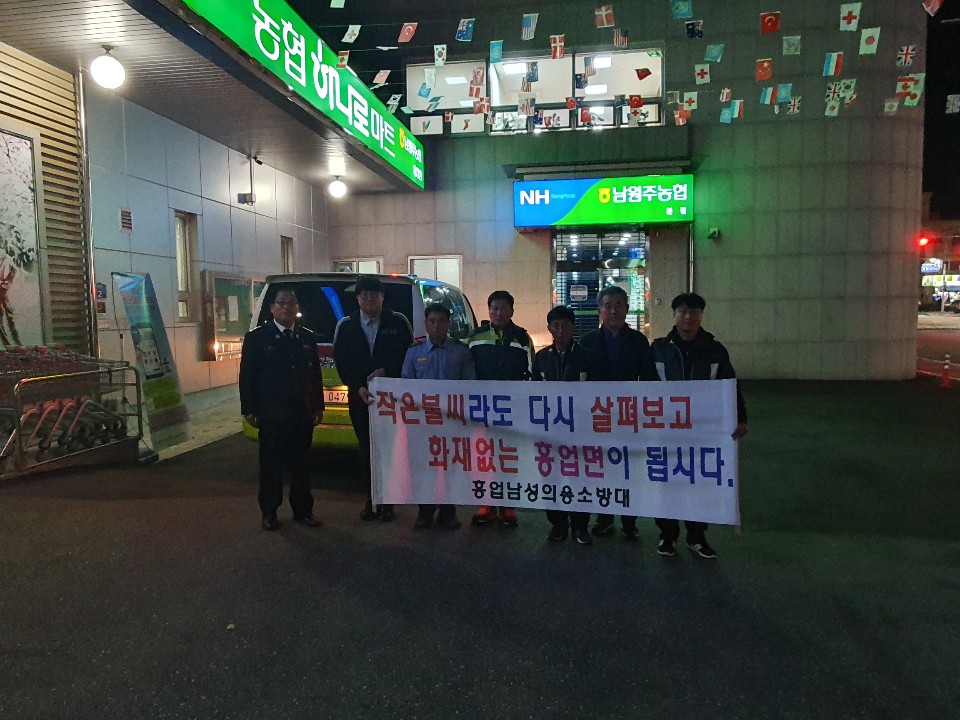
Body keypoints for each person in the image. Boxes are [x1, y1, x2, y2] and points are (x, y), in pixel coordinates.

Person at [641, 292, 748, 559]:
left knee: (699, 482)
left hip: (703, 432)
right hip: (666, 431)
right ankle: (667, 535)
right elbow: (645, 386)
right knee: (667, 482)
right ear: (674, 315)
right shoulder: (660, 349)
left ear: (701, 315)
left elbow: (730, 386)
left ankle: (697, 536)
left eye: (693, 312)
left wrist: (741, 418)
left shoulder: (715, 350)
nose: (688, 317)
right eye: (682, 312)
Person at [239, 288, 325, 531]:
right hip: (271, 413)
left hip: (302, 412)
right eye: (282, 303)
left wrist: (318, 405)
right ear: (272, 308)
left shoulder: (306, 338)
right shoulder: (257, 338)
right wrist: (249, 409)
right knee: (271, 466)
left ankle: (303, 510)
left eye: (292, 303)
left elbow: (315, 376)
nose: (287, 307)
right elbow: (247, 376)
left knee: (302, 466)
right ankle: (269, 512)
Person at [333, 276, 414, 522]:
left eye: (374, 294)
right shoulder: (346, 325)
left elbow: (408, 356)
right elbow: (342, 361)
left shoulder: (398, 322)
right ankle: (371, 498)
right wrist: (357, 385)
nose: (369, 298)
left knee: (389, 449)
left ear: (382, 297)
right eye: (364, 294)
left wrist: (386, 372)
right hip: (360, 398)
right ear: (357, 298)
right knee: (366, 449)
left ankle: (388, 501)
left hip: (391, 398)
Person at [580, 285, 650, 540]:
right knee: (603, 469)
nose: (613, 311)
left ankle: (630, 520)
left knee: (629, 469)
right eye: (607, 306)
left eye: (618, 305)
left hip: (629, 416)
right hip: (598, 417)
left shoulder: (639, 342)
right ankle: (605, 518)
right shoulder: (587, 342)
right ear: (599, 310)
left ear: (627, 309)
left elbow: (648, 380)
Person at [401, 303, 476, 530]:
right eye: (432, 321)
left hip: (452, 423)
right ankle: (425, 512)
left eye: (441, 321)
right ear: (425, 324)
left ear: (449, 324)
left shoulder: (461, 352)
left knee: (451, 468)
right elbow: (406, 387)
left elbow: (470, 386)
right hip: (423, 424)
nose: (436, 325)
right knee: (424, 467)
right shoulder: (414, 352)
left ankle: (448, 512)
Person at [467, 290, 535, 528]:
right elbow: (466, 373)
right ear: (489, 311)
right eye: (494, 308)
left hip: (511, 411)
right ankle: (485, 504)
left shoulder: (523, 338)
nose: (499, 312)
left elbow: (530, 374)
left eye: (504, 308)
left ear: (512, 311)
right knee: (483, 459)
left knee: (507, 458)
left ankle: (507, 506)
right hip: (482, 410)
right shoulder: (475, 337)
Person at [531, 305, 593, 545]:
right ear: (549, 328)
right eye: (555, 325)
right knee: (552, 476)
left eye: (565, 325)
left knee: (580, 477)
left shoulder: (587, 356)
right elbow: (534, 393)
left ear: (573, 327)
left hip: (581, 430)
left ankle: (580, 526)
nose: (560, 330)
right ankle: (557, 525)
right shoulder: (542, 358)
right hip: (551, 430)